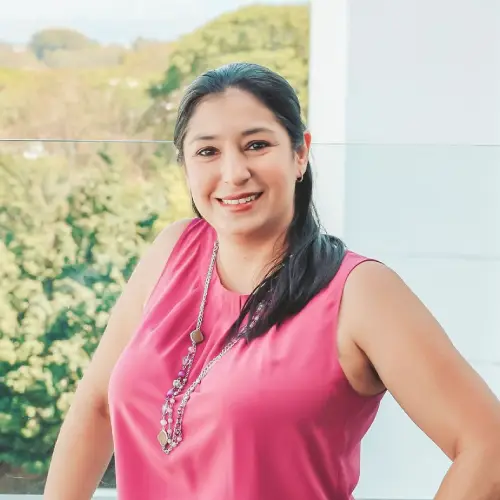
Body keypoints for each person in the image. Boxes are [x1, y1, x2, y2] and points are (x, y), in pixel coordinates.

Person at [44, 62, 500, 500]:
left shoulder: (360, 292)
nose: (234, 172)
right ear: (185, 166)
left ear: (300, 152)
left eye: (256, 145)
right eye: (207, 151)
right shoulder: (172, 251)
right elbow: (98, 407)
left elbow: (489, 450)